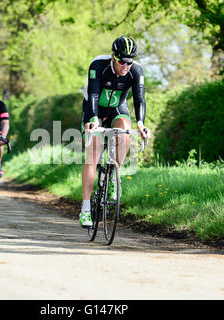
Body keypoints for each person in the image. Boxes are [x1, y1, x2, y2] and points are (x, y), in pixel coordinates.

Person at [79, 35, 149, 227]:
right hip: (94, 111)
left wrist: (141, 124)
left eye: (129, 62)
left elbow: (139, 99)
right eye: (121, 61)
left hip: (118, 109)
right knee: (92, 156)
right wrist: (93, 119)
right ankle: (85, 209)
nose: (125, 66)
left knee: (126, 129)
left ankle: (114, 176)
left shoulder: (136, 71)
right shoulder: (98, 65)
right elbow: (93, 94)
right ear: (113, 57)